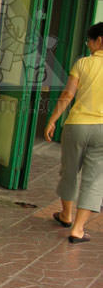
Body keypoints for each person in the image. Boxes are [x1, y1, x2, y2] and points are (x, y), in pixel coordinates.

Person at [44, 22, 103, 244]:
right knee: (95, 179)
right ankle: (77, 229)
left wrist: (52, 120)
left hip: (77, 126)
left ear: (99, 41)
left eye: (89, 40)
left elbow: (68, 95)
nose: (88, 45)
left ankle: (66, 215)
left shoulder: (83, 64)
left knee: (69, 171)